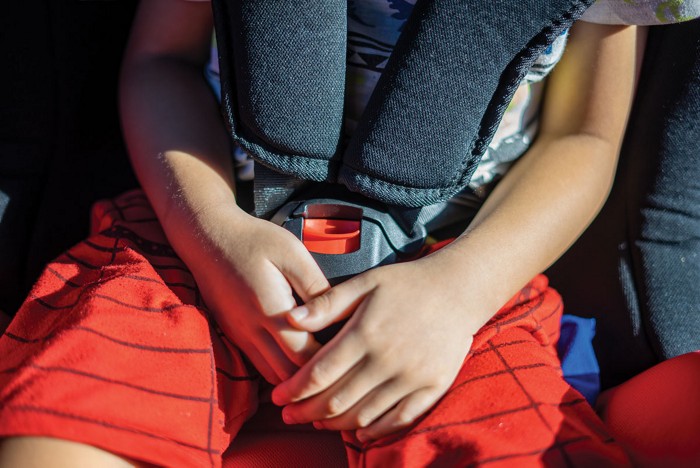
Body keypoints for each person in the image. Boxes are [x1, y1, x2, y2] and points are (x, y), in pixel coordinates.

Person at [0, 0, 643, 466]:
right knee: (78, 396)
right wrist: (213, 233)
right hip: (197, 226)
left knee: (513, 441)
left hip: (460, 270)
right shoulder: (201, 233)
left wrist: (461, 292)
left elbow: (584, 138)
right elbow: (161, 59)